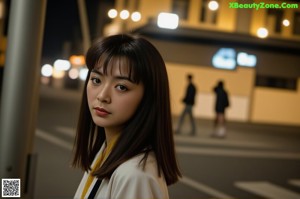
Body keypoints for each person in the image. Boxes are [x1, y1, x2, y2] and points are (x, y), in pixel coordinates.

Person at [72, 34, 181, 199]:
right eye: (96, 80)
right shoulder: (109, 151)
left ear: (148, 97)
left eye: (121, 87)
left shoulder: (134, 176)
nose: (102, 96)